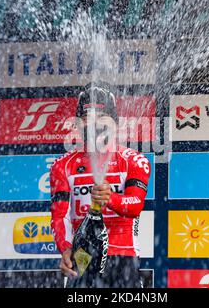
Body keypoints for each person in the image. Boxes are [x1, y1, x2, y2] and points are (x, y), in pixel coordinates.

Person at [50, 81, 151, 288]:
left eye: (102, 117)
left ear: (115, 122)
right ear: (77, 124)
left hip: (122, 255)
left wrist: (110, 198)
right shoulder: (62, 165)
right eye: (87, 118)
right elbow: (60, 215)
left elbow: (135, 206)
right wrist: (66, 249)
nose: (94, 124)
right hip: (83, 256)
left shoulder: (133, 160)